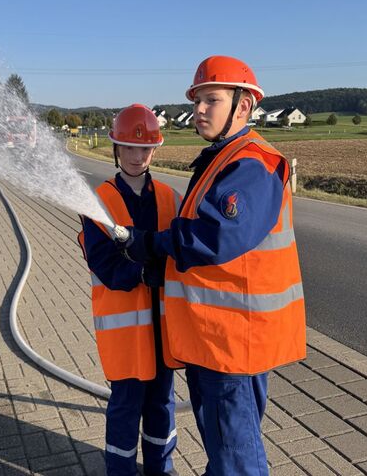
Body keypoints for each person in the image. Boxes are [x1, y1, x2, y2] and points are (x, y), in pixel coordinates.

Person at [117, 57, 306, 476]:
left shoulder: (252, 164)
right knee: (224, 446)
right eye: (198, 100)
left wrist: (152, 244)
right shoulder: (223, 158)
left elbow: (215, 236)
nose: (200, 109)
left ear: (244, 106)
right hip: (214, 337)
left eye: (212, 99)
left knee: (235, 453)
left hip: (234, 341)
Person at [78, 104, 182, 476]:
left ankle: (161, 469)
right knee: (125, 409)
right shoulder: (98, 202)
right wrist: (139, 275)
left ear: (154, 151)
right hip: (124, 334)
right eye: (128, 147)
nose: (138, 156)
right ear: (116, 149)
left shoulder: (171, 198)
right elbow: (102, 263)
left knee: (161, 405)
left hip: (164, 330)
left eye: (145, 149)